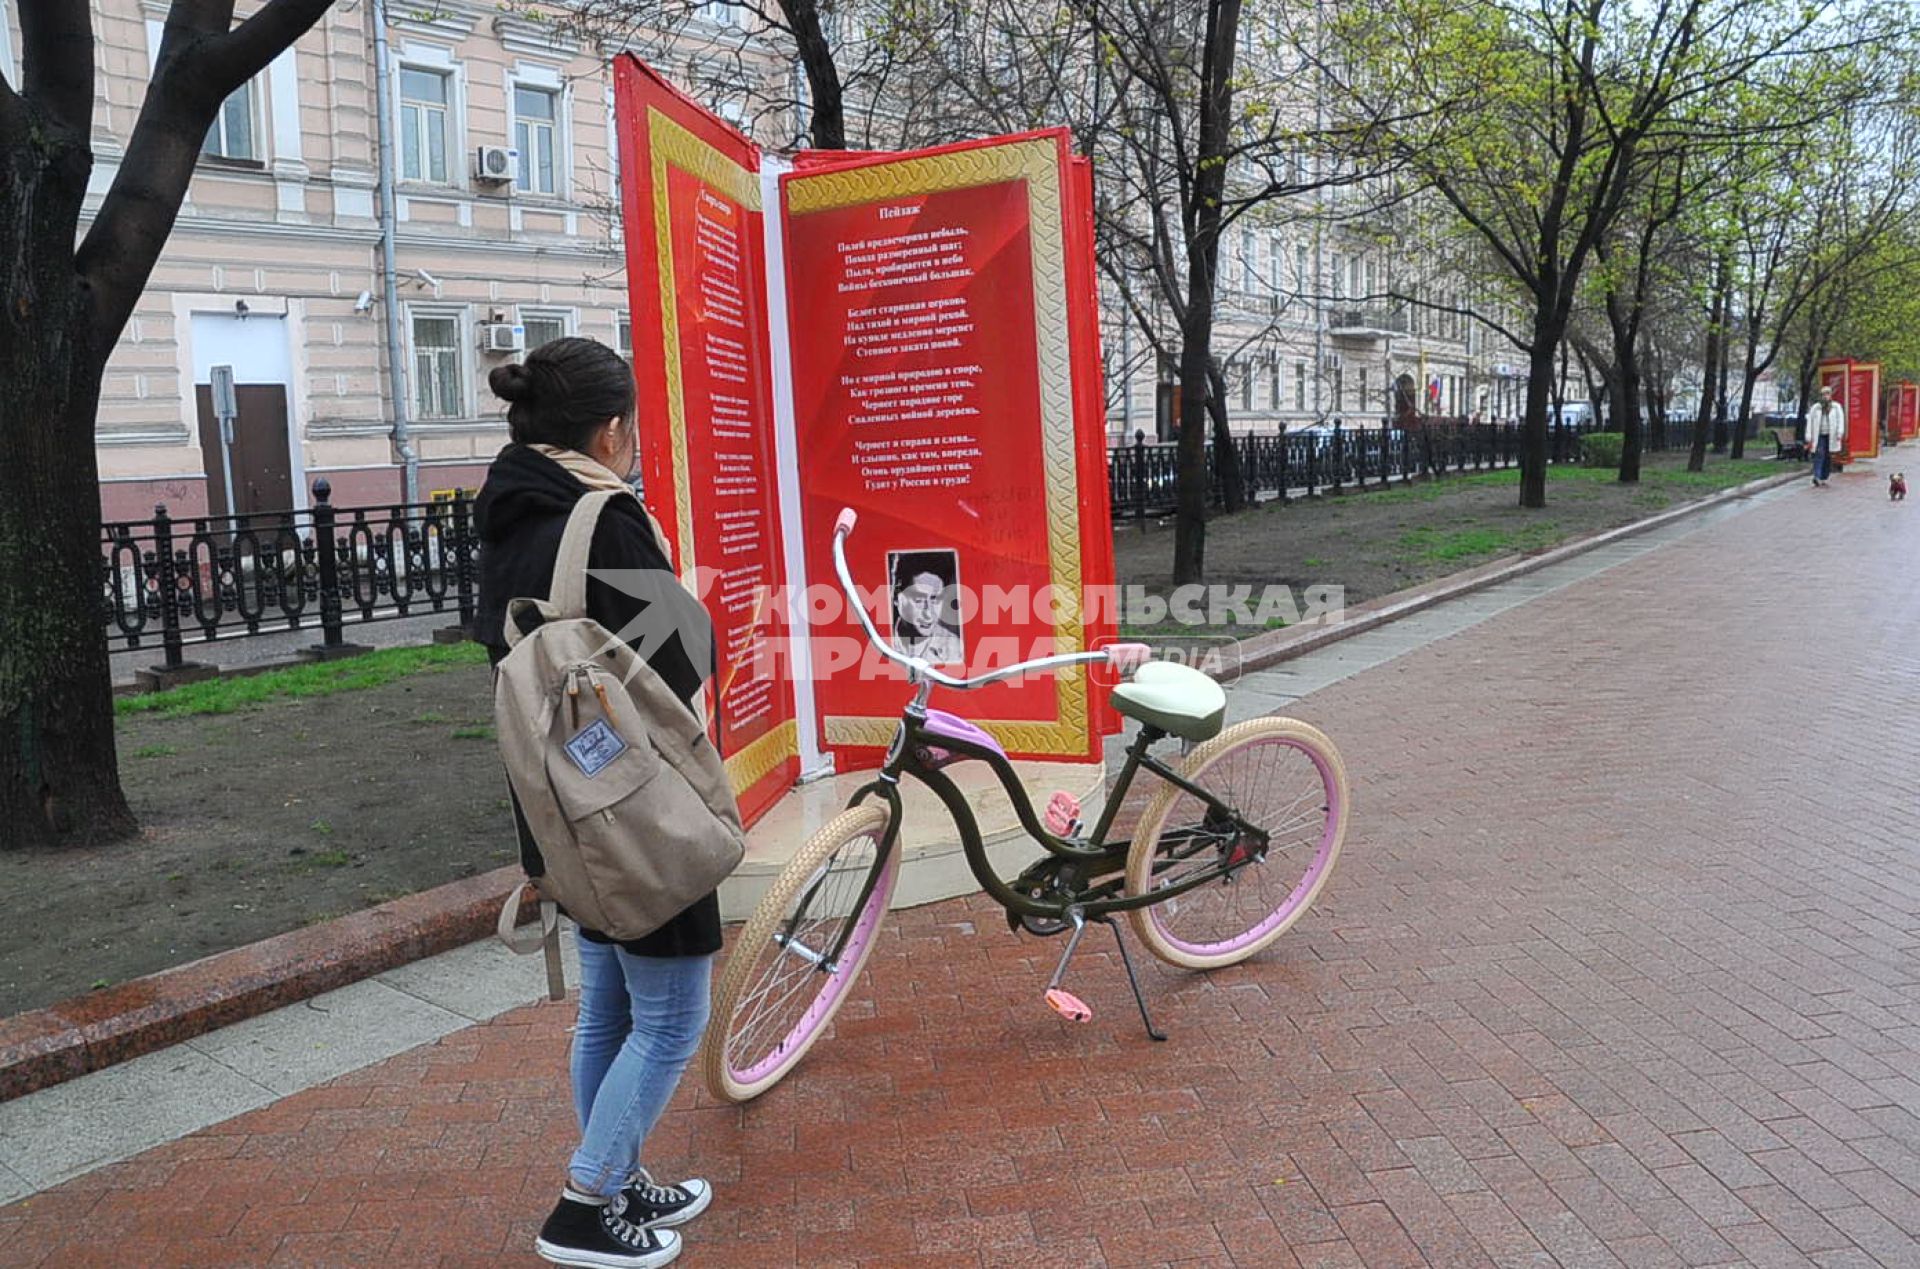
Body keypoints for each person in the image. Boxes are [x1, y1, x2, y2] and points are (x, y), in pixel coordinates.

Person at [474, 337, 717, 1269]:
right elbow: (681, 658)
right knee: (670, 1021)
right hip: (638, 801)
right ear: (612, 429)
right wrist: (695, 605)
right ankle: (583, 1205)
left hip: (554, 802)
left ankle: (616, 1175)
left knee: (610, 1007)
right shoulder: (605, 519)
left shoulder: (507, 514)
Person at [891, 560, 963, 664]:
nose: (929, 614)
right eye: (919, 600)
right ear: (897, 599)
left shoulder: (955, 650)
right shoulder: (878, 642)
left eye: (935, 600)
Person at [1806, 384, 1846, 487]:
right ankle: (1817, 476)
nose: (1825, 396)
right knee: (1819, 455)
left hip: (1831, 436)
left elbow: (1840, 420)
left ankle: (1824, 477)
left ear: (1831, 395)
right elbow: (1810, 421)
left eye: (1827, 394)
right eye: (1823, 394)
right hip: (1819, 435)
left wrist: (1839, 432)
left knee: (1828, 456)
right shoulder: (1816, 407)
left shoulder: (1836, 407)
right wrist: (1809, 435)